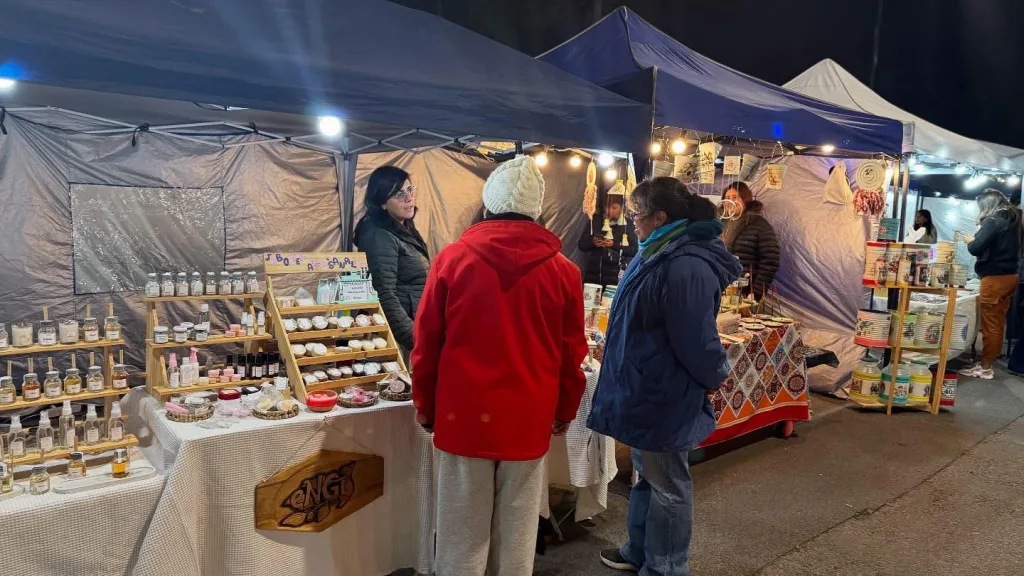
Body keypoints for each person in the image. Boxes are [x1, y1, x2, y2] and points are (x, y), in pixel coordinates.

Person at [412, 155, 588, 576]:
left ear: (488, 203)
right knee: (518, 533)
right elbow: (572, 354)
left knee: (460, 533)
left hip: (463, 415)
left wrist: (425, 406)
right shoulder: (564, 271)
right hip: (529, 417)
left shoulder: (453, 259)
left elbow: (426, 344)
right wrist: (564, 410)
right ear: (537, 209)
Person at [591, 177, 741, 576]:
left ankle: (667, 567)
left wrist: (715, 374)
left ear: (660, 217)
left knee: (669, 485)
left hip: (665, 391)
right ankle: (640, 550)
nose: (631, 222)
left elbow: (697, 338)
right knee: (649, 478)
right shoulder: (658, 249)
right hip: (647, 387)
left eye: (636, 214)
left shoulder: (684, 263)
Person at [353, 166, 429, 356]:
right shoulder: (378, 235)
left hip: (414, 327)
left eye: (410, 190)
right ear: (382, 203)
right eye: (399, 194)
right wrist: (416, 339)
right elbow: (384, 294)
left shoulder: (403, 227)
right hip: (398, 337)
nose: (409, 198)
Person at [960, 189, 1023, 380]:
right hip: (1010, 276)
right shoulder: (1014, 221)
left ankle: (986, 367)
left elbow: (976, 247)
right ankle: (987, 363)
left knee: (991, 325)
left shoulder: (994, 221)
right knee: (997, 322)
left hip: (995, 278)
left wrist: (971, 240)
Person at [720, 182, 780, 297]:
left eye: (735, 197)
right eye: (727, 198)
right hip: (721, 288)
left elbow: (771, 260)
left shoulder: (759, 225)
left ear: (745, 200)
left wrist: (755, 293)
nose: (730, 201)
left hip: (745, 292)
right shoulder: (721, 224)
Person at [578, 199, 637, 287]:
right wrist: (593, 243)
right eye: (607, 207)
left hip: (614, 277)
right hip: (592, 274)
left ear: (621, 208)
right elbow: (581, 245)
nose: (609, 211)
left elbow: (634, 250)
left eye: (614, 208)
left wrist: (614, 245)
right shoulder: (596, 220)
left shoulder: (627, 224)